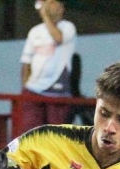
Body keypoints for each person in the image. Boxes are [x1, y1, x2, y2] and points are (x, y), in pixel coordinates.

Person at [19, 0, 76, 132]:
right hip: (33, 91)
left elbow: (58, 38)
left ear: (61, 8)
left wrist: (45, 16)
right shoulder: (35, 31)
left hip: (57, 92)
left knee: (54, 135)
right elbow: (26, 60)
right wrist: (25, 86)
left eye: (52, 3)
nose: (48, 6)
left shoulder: (68, 27)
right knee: (30, 133)